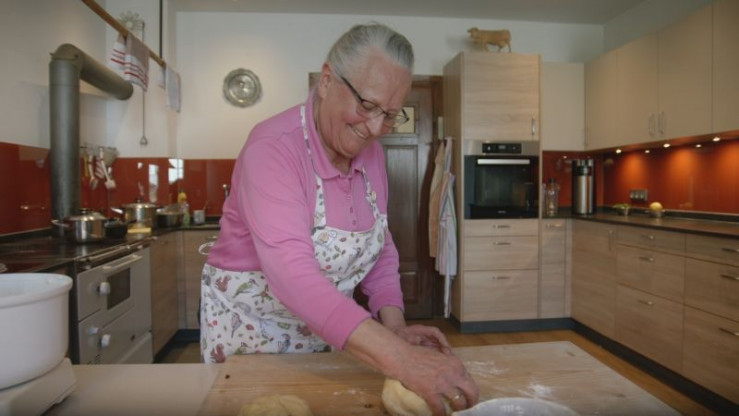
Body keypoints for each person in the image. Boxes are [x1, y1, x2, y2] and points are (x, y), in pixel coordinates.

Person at [200, 23, 479, 415]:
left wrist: (395, 327)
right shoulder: (273, 149)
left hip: (329, 341)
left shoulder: (371, 154)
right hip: (249, 345)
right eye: (367, 105)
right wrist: (403, 359)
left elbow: (380, 249)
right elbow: (293, 277)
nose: (375, 128)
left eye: (390, 115)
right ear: (328, 80)